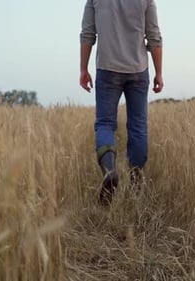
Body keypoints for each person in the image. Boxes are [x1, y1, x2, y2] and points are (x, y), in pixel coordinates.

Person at [80, 0, 163, 205]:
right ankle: (136, 183)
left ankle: (109, 172)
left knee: (105, 124)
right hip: (138, 69)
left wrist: (83, 69)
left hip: (107, 69)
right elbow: (154, 37)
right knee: (138, 126)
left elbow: (88, 34)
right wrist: (159, 72)